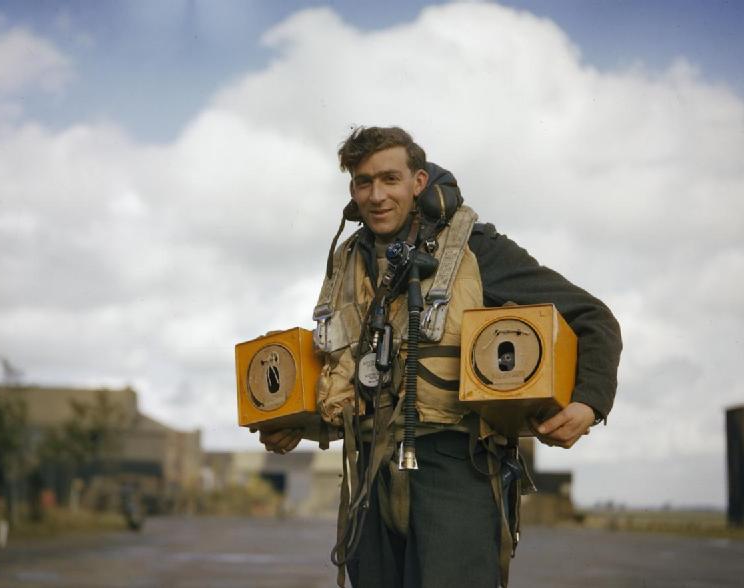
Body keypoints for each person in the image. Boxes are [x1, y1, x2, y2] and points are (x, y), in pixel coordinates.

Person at [256, 126, 622, 588]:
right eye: (364, 181)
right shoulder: (348, 260)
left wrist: (589, 401)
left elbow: (593, 317)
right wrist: (298, 424)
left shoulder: (473, 248)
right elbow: (346, 370)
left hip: (455, 467)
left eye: (390, 179)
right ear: (352, 189)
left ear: (419, 182)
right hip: (368, 474)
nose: (377, 195)